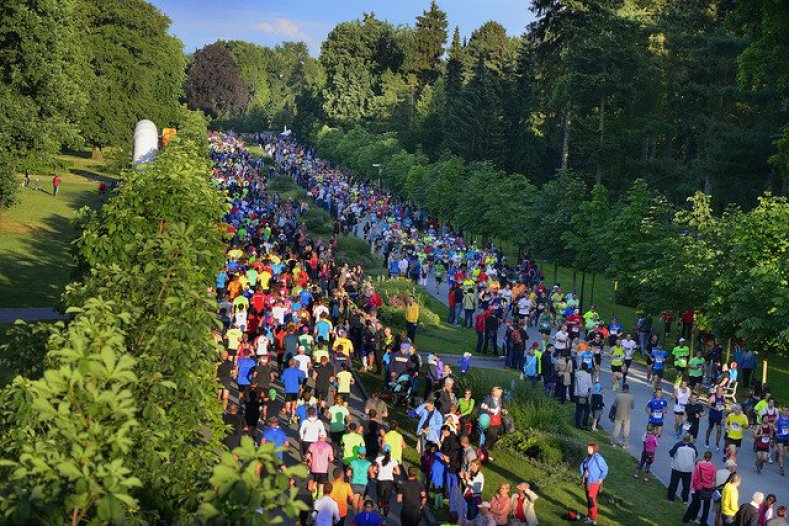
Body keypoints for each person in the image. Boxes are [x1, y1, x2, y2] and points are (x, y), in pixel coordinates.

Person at [682, 450, 716, 525]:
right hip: (708, 488)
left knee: (694, 504)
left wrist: (694, 487)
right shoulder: (713, 467)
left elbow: (695, 478)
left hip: (699, 487)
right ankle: (703, 522)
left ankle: (686, 518)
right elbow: (713, 478)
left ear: (704, 456)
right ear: (710, 458)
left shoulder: (699, 465)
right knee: (706, 507)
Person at [580, 442, 608, 525]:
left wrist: (601, 478)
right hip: (587, 481)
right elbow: (583, 465)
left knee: (592, 499)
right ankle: (589, 516)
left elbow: (605, 469)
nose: (588, 450)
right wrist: (583, 475)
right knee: (589, 499)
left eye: (590, 448)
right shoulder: (589, 457)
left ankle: (593, 518)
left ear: (594, 449)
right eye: (588, 448)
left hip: (594, 482)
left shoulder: (598, 458)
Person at [667, 433, 697, 503]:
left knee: (674, 483)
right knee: (686, 485)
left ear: (683, 438)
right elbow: (695, 456)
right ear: (690, 439)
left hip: (677, 467)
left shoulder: (678, 445)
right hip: (688, 469)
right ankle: (685, 500)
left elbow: (671, 453)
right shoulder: (692, 447)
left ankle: (671, 498)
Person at [374, 444, 400, 517]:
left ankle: (380, 510)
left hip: (380, 481)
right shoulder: (393, 460)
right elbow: (398, 472)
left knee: (379, 498)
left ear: (383, 450)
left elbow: (375, 470)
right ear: (391, 451)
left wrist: (379, 470)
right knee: (387, 500)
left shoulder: (378, 459)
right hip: (389, 481)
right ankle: (385, 517)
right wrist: (391, 471)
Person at [348, 447, 373, 513]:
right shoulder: (368, 463)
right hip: (364, 484)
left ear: (358, 453)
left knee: (355, 501)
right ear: (365, 453)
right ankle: (360, 515)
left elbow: (348, 474)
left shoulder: (353, 462)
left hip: (355, 483)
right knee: (361, 501)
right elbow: (372, 475)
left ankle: (355, 516)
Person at [610, 383, 634, 447]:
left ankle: (613, 442)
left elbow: (614, 405)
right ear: (628, 389)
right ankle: (625, 444)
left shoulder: (618, 396)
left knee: (616, 429)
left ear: (622, 389)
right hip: (627, 416)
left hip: (618, 415)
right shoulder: (631, 397)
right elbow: (632, 406)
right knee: (626, 431)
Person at [574, 365, 593, 429]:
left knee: (578, 410)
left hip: (577, 394)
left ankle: (577, 424)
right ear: (586, 368)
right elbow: (590, 386)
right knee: (586, 410)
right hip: (584, 395)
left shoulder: (577, 374)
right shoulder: (588, 375)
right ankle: (584, 424)